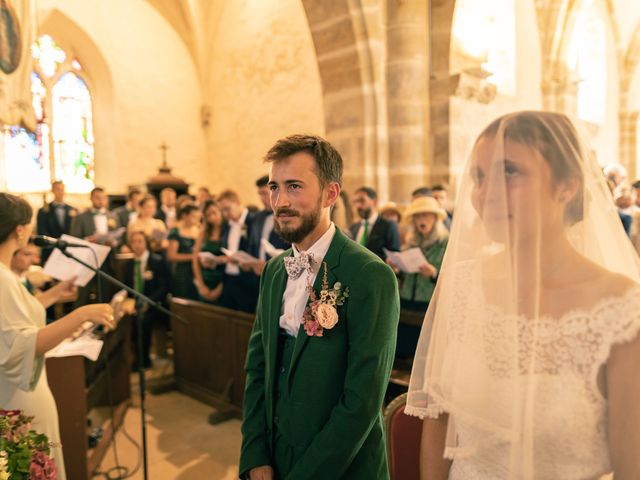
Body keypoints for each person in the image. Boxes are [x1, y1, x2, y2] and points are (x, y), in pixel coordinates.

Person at [406, 111, 640, 479]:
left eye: (509, 172)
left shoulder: (620, 308)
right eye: (479, 177)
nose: (485, 194)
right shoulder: (463, 286)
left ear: (567, 186)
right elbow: (438, 417)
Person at [239, 134, 400, 479]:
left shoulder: (370, 275)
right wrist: (255, 454)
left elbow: (362, 402)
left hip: (341, 467)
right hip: (274, 460)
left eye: (294, 186)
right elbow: (257, 367)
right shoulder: (273, 270)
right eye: (274, 188)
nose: (280, 201)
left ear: (330, 193)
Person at [0, 193, 114, 480]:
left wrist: (53, 295)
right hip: (19, 395)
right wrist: (80, 315)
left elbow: (14, 320)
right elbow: (22, 344)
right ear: (20, 230)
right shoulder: (2, 278)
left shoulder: (5, 275)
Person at [388, 196, 448, 360]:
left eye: (426, 215)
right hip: (406, 303)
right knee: (402, 352)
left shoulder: (445, 244)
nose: (422, 220)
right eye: (418, 216)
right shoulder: (410, 243)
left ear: (435, 219)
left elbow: (453, 277)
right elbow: (404, 277)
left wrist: (434, 273)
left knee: (421, 355)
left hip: (427, 305)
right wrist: (397, 268)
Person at [124, 231, 170, 369]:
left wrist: (148, 302)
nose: (137, 245)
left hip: (155, 305)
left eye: (140, 241)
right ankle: (128, 359)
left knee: (142, 321)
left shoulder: (157, 261)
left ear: (146, 244)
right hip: (134, 306)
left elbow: (165, 286)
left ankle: (143, 360)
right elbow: (127, 288)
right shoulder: (129, 265)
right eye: (134, 242)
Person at [217, 190, 258, 312]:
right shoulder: (226, 225)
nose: (225, 214)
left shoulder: (254, 221)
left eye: (227, 209)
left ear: (237, 202)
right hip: (228, 279)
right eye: (222, 210)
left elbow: (257, 251)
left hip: (247, 281)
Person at [244, 175, 290, 277]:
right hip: (257, 276)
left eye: (264, 194)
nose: (261, 199)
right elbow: (252, 245)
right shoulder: (257, 218)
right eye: (260, 194)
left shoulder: (289, 216)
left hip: (282, 274)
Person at [349, 186, 400, 260]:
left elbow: (394, 255)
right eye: (355, 202)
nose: (358, 206)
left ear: (374, 202)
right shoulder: (353, 228)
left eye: (362, 200)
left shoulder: (388, 225)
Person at [193, 200, 226, 303]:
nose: (212, 217)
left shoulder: (227, 232)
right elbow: (195, 260)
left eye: (214, 212)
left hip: (223, 281)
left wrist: (219, 289)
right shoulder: (203, 233)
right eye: (208, 215)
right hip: (205, 279)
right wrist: (201, 285)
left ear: (220, 211)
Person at [36, 181, 77, 263]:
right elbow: (41, 230)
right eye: (58, 189)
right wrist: (54, 242)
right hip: (50, 249)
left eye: (62, 189)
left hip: (68, 249)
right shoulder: (44, 210)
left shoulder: (72, 209)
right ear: (53, 191)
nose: (60, 192)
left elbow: (75, 230)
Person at [167, 204, 201, 300]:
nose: (197, 220)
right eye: (194, 216)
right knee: (183, 297)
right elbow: (171, 256)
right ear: (184, 216)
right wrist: (193, 256)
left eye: (198, 217)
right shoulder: (176, 231)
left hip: (196, 270)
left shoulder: (198, 230)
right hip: (181, 272)